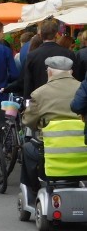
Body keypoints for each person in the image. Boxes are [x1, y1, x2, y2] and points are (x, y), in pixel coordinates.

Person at [21, 56, 81, 194]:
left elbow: (28, 121)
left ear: (49, 72)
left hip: (51, 150)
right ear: (70, 72)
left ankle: (32, 189)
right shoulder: (82, 89)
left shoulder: (39, 93)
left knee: (27, 149)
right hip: (83, 148)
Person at [23, 19, 76, 99]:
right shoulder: (68, 54)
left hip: (40, 99)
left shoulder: (32, 56)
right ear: (56, 35)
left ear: (40, 35)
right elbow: (75, 77)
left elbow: (28, 83)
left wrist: (27, 100)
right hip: (64, 98)